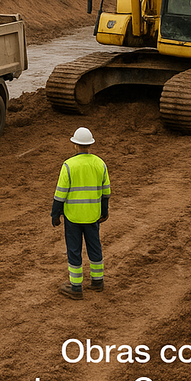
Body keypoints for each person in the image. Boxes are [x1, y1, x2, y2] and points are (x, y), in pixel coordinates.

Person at [52, 127, 111, 299]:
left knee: (74, 250)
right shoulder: (100, 164)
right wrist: (104, 211)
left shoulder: (69, 165)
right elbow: (106, 192)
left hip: (73, 217)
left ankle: (76, 287)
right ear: (90, 145)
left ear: (74, 145)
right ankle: (97, 281)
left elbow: (60, 194)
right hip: (93, 216)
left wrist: (55, 214)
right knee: (95, 247)